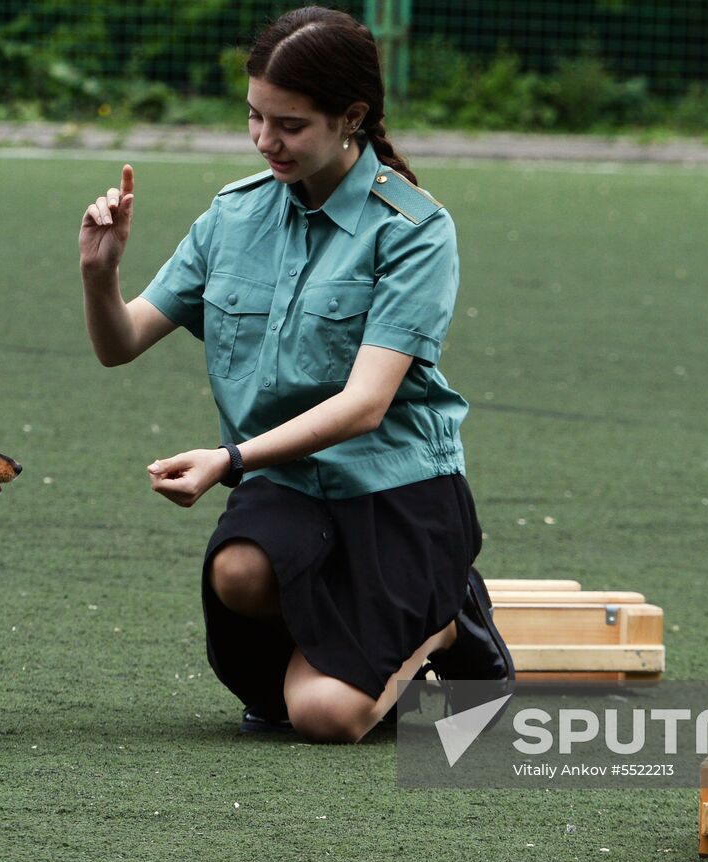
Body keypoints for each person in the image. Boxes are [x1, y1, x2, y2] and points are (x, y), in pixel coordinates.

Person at [78, 6, 512, 743]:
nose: (264, 140)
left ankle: (445, 618)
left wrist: (230, 458)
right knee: (240, 573)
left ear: (351, 117)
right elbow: (121, 343)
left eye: (289, 124)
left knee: (327, 718)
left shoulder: (413, 229)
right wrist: (100, 272)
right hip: (289, 488)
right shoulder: (232, 215)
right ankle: (336, 651)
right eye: (254, 117)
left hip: (395, 491)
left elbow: (366, 405)